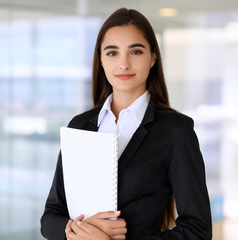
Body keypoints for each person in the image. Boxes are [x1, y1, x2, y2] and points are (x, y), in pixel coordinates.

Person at [41, 8, 212, 240]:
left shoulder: (175, 131)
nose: (123, 64)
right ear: (100, 60)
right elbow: (51, 216)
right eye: (112, 53)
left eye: (136, 52)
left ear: (152, 57)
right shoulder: (79, 126)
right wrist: (78, 230)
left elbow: (197, 230)